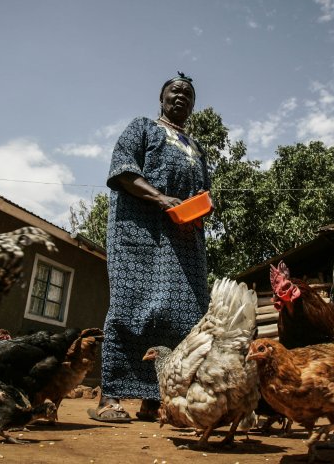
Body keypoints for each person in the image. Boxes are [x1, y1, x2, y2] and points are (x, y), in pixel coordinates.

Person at [88, 72, 210, 423]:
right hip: (140, 233)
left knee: (185, 314)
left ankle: (157, 399)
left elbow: (202, 194)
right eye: (175, 91)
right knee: (132, 306)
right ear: (161, 98)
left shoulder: (196, 148)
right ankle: (110, 396)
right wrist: (160, 198)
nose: (181, 97)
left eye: (188, 94)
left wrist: (197, 211)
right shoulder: (142, 128)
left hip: (184, 240)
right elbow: (122, 171)